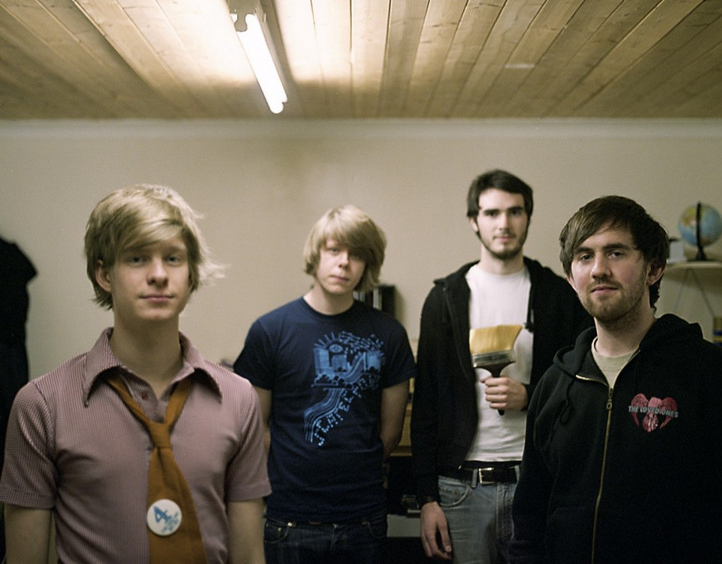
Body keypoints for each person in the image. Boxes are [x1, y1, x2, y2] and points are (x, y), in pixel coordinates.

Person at [0, 184, 270, 563]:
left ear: (191, 274)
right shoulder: (42, 405)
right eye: (137, 258)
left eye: (173, 258)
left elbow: (249, 556)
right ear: (104, 274)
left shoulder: (238, 400)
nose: (158, 275)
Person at [510, 195, 722, 563]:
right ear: (571, 278)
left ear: (654, 269)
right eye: (584, 256)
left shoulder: (715, 377)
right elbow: (529, 517)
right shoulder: (555, 385)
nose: (599, 269)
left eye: (616, 253)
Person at [410, 169, 591, 563]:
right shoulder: (445, 299)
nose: (504, 223)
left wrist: (530, 396)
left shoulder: (559, 295)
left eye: (515, 211)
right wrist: (426, 499)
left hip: (537, 484)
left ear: (528, 217)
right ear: (474, 221)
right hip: (460, 488)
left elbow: (584, 387)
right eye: (492, 213)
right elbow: (425, 403)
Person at [234, 205, 416, 564]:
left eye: (356, 254)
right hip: (290, 518)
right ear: (316, 254)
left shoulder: (389, 334)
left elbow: (391, 433)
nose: (344, 262)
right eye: (334, 250)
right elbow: (257, 427)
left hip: (363, 518)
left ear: (367, 264)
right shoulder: (270, 330)